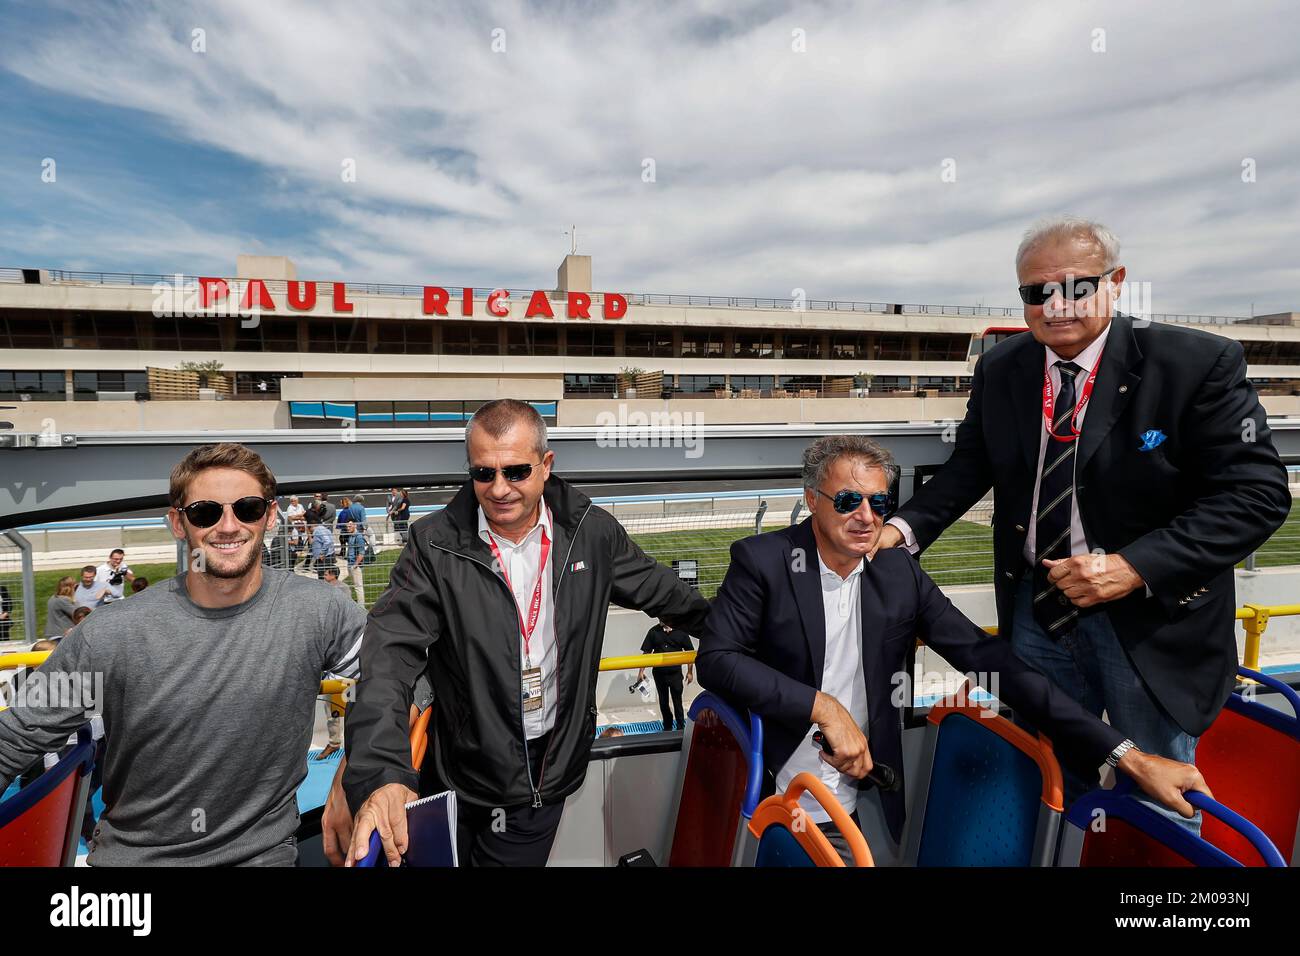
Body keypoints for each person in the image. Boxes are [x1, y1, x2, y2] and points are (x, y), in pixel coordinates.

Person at [877, 217, 1290, 825]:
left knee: (1158, 788)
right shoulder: (1003, 368)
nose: (1055, 305)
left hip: (1150, 620)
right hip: (1038, 609)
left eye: (1075, 286)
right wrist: (901, 532)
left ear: (1117, 282)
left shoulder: (1194, 362)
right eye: (1035, 292)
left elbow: (1256, 494)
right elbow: (971, 465)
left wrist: (1132, 567)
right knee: (1048, 777)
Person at [698, 435, 1211, 863]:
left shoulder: (898, 572)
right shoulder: (763, 560)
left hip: (864, 793)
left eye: (879, 503)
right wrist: (823, 708)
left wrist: (1128, 756)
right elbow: (718, 661)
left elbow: (991, 663)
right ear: (812, 499)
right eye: (848, 501)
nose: (866, 517)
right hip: (770, 785)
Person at [343, 399, 711, 867]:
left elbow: (668, 595)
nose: (498, 489)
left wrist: (743, 637)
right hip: (457, 770)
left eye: (516, 471)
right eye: (483, 473)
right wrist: (379, 774)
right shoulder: (434, 543)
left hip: (545, 776)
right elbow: (388, 656)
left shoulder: (591, 533)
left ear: (546, 465)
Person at [0, 442, 366, 865]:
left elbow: (396, 681)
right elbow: (17, 735)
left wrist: (351, 773)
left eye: (246, 508)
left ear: (269, 515)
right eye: (205, 512)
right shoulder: (111, 633)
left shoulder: (318, 610)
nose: (228, 526)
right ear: (178, 522)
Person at [636, 621, 695, 731]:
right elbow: (646, 653)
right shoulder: (654, 632)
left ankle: (680, 726)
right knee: (663, 702)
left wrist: (690, 672)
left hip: (675, 674)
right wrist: (640, 672)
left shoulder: (681, 632)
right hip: (659, 674)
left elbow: (689, 653)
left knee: (677, 701)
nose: (661, 619)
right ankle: (667, 726)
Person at [344, 519, 366, 605]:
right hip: (350, 564)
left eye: (350, 526)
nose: (348, 528)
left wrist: (355, 565)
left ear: (355, 525)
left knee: (358, 587)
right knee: (355, 586)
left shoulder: (359, 537)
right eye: (347, 526)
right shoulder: (351, 536)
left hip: (355, 566)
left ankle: (361, 606)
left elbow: (361, 553)